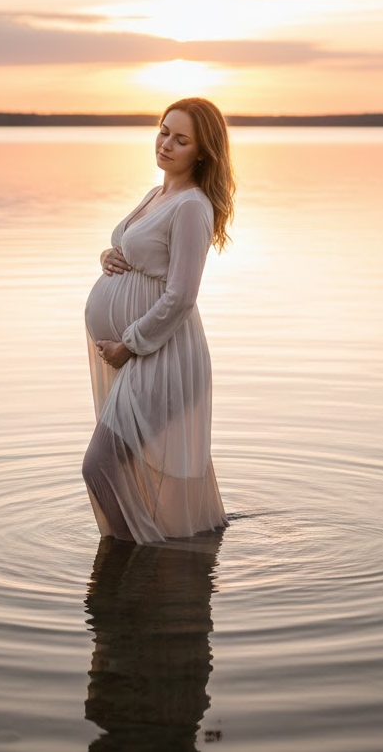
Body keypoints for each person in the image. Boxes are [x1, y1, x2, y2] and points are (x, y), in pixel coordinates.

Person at [82, 96, 235, 544]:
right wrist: (110, 254)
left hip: (163, 356)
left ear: (202, 151)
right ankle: (147, 563)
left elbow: (182, 294)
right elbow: (139, 252)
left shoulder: (191, 206)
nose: (166, 143)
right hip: (141, 354)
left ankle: (138, 564)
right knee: (121, 469)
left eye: (181, 139)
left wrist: (129, 345)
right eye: (164, 131)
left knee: (100, 465)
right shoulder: (158, 193)